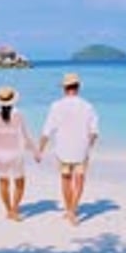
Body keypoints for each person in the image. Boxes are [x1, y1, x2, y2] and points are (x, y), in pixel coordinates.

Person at [38, 72, 99, 225]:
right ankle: (73, 211)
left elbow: (47, 130)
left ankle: (68, 210)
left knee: (66, 179)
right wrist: (88, 147)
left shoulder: (56, 106)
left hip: (62, 150)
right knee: (79, 180)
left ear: (64, 88)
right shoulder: (88, 106)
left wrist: (40, 150)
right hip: (81, 149)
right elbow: (94, 132)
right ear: (78, 87)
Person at [0, 86, 39, 221]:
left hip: (0, 154)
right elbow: (25, 136)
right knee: (19, 183)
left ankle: (8, 210)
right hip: (16, 153)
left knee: (3, 182)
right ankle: (15, 210)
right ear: (13, 100)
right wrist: (35, 151)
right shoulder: (18, 114)